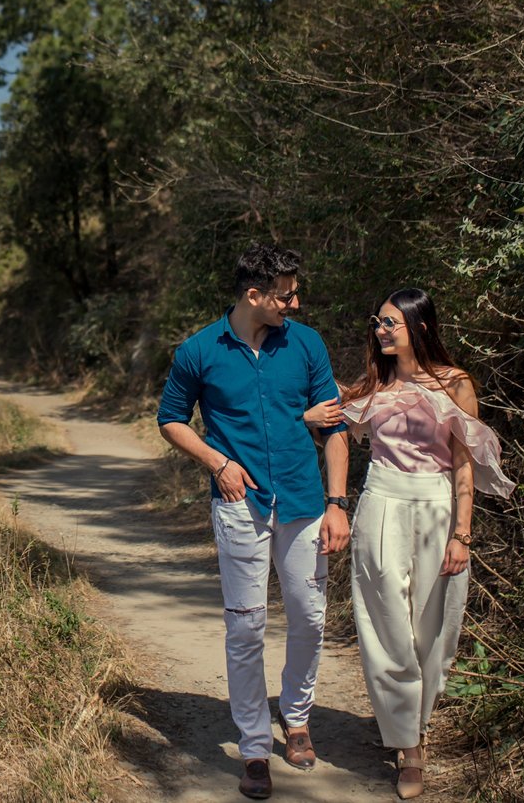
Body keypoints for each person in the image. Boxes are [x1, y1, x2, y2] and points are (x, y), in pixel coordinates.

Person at [157, 244, 352, 800]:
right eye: (286, 293)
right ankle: (252, 746)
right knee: (245, 626)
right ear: (254, 296)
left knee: (310, 617)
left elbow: (333, 426)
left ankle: (296, 717)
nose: (295, 300)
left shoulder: (307, 343)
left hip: (303, 501)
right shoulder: (198, 351)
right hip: (239, 505)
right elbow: (170, 418)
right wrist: (217, 462)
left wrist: (338, 504)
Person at [306, 287, 515, 799]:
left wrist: (463, 534)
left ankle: (416, 724)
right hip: (381, 503)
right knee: (386, 626)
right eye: (377, 322)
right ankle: (409, 747)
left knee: (434, 628)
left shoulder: (456, 383)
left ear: (420, 326)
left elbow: (464, 463)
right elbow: (329, 425)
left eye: (391, 323)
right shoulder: (370, 386)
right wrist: (309, 419)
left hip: (438, 507)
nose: (381, 330)